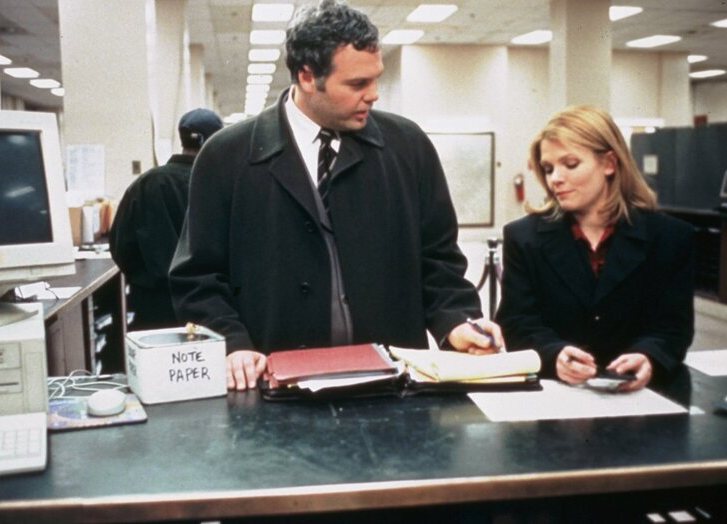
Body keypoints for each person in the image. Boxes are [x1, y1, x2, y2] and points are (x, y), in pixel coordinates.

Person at [169, 0, 502, 391]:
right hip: (275, 388)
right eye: (358, 84)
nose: (374, 95)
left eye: (375, 80)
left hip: (392, 388)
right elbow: (198, 276)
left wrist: (457, 320)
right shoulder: (226, 157)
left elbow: (439, 261)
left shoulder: (408, 147)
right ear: (307, 76)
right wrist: (231, 343)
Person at [495, 105, 694, 391]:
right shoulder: (523, 238)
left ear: (609, 163)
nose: (555, 178)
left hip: (642, 397)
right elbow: (516, 322)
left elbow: (674, 327)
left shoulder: (671, 238)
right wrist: (554, 355)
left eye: (570, 164)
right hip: (555, 397)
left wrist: (649, 357)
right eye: (548, 169)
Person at [110, 108, 223, 330]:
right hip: (210, 305)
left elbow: (120, 246)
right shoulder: (220, 184)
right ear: (216, 141)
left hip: (153, 307)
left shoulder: (145, 183)